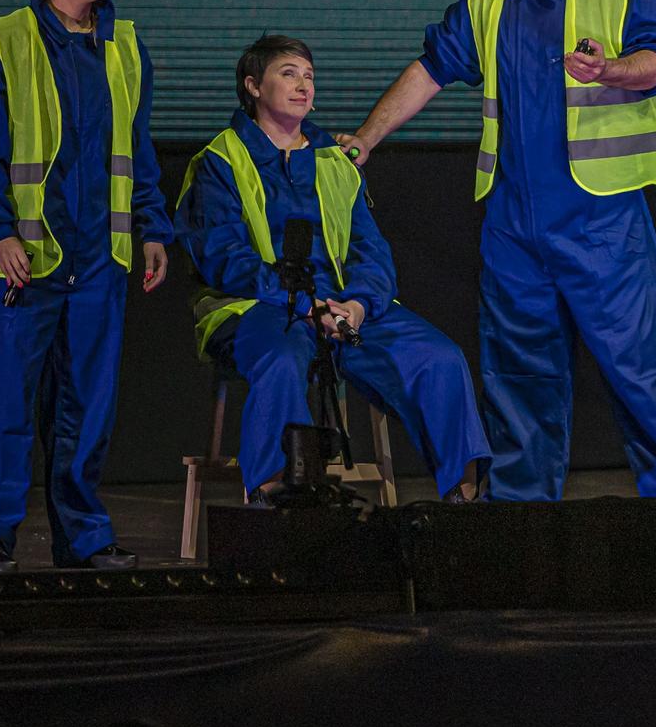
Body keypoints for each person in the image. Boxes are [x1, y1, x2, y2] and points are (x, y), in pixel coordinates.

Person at [336, 0, 656, 548]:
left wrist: (612, 69)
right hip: (516, 229)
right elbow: (434, 65)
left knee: (644, 376)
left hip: (601, 222)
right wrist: (369, 136)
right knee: (519, 385)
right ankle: (521, 532)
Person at [174, 36, 492, 503]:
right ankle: (276, 501)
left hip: (343, 315)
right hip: (260, 309)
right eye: (288, 73)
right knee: (282, 359)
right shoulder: (219, 161)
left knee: (437, 358)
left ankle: (463, 501)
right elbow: (223, 257)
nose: (304, 85)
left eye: (309, 76)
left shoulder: (336, 161)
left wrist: (359, 306)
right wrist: (306, 305)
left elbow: (372, 251)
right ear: (253, 86)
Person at [0, 0, 171, 574]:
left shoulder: (124, 46)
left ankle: (82, 535)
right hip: (26, 257)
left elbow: (137, 150)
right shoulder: (6, 40)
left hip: (97, 259)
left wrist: (152, 225)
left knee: (86, 405)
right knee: (2, 402)